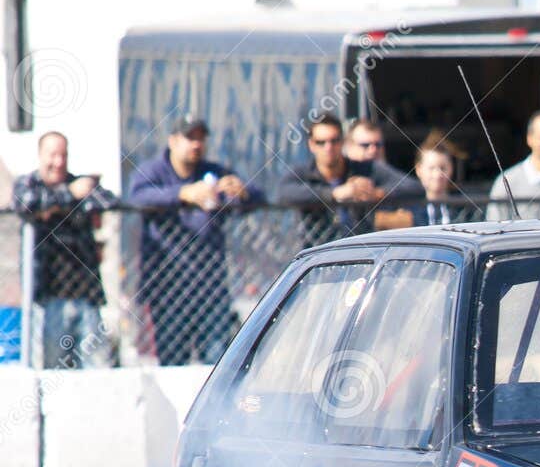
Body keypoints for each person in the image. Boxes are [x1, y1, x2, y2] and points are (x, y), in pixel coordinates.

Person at [125, 114, 256, 366]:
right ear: (173, 141)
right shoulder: (154, 171)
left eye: (200, 138)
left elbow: (257, 195)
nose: (196, 144)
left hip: (210, 287)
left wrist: (241, 193)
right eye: (189, 138)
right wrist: (183, 194)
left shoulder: (212, 171)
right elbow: (136, 197)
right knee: (173, 366)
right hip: (168, 288)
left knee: (216, 364)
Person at [10, 132, 116, 368]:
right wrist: (68, 196)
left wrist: (82, 191)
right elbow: (26, 203)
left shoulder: (77, 182)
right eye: (52, 155)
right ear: (40, 156)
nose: (58, 162)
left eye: (63, 155)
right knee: (51, 369)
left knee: (97, 368)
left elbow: (109, 201)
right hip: (48, 298)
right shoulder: (29, 184)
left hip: (86, 296)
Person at [273, 113, 415, 246]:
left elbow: (413, 187)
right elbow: (283, 193)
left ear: (342, 141)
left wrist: (376, 193)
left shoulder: (364, 168)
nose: (329, 147)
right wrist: (333, 194)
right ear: (311, 145)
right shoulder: (304, 173)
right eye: (321, 142)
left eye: (334, 141)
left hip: (362, 252)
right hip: (317, 254)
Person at [399, 131, 471, 226]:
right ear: (419, 170)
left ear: (451, 168)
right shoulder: (407, 213)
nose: (438, 175)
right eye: (431, 168)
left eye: (443, 168)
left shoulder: (465, 210)